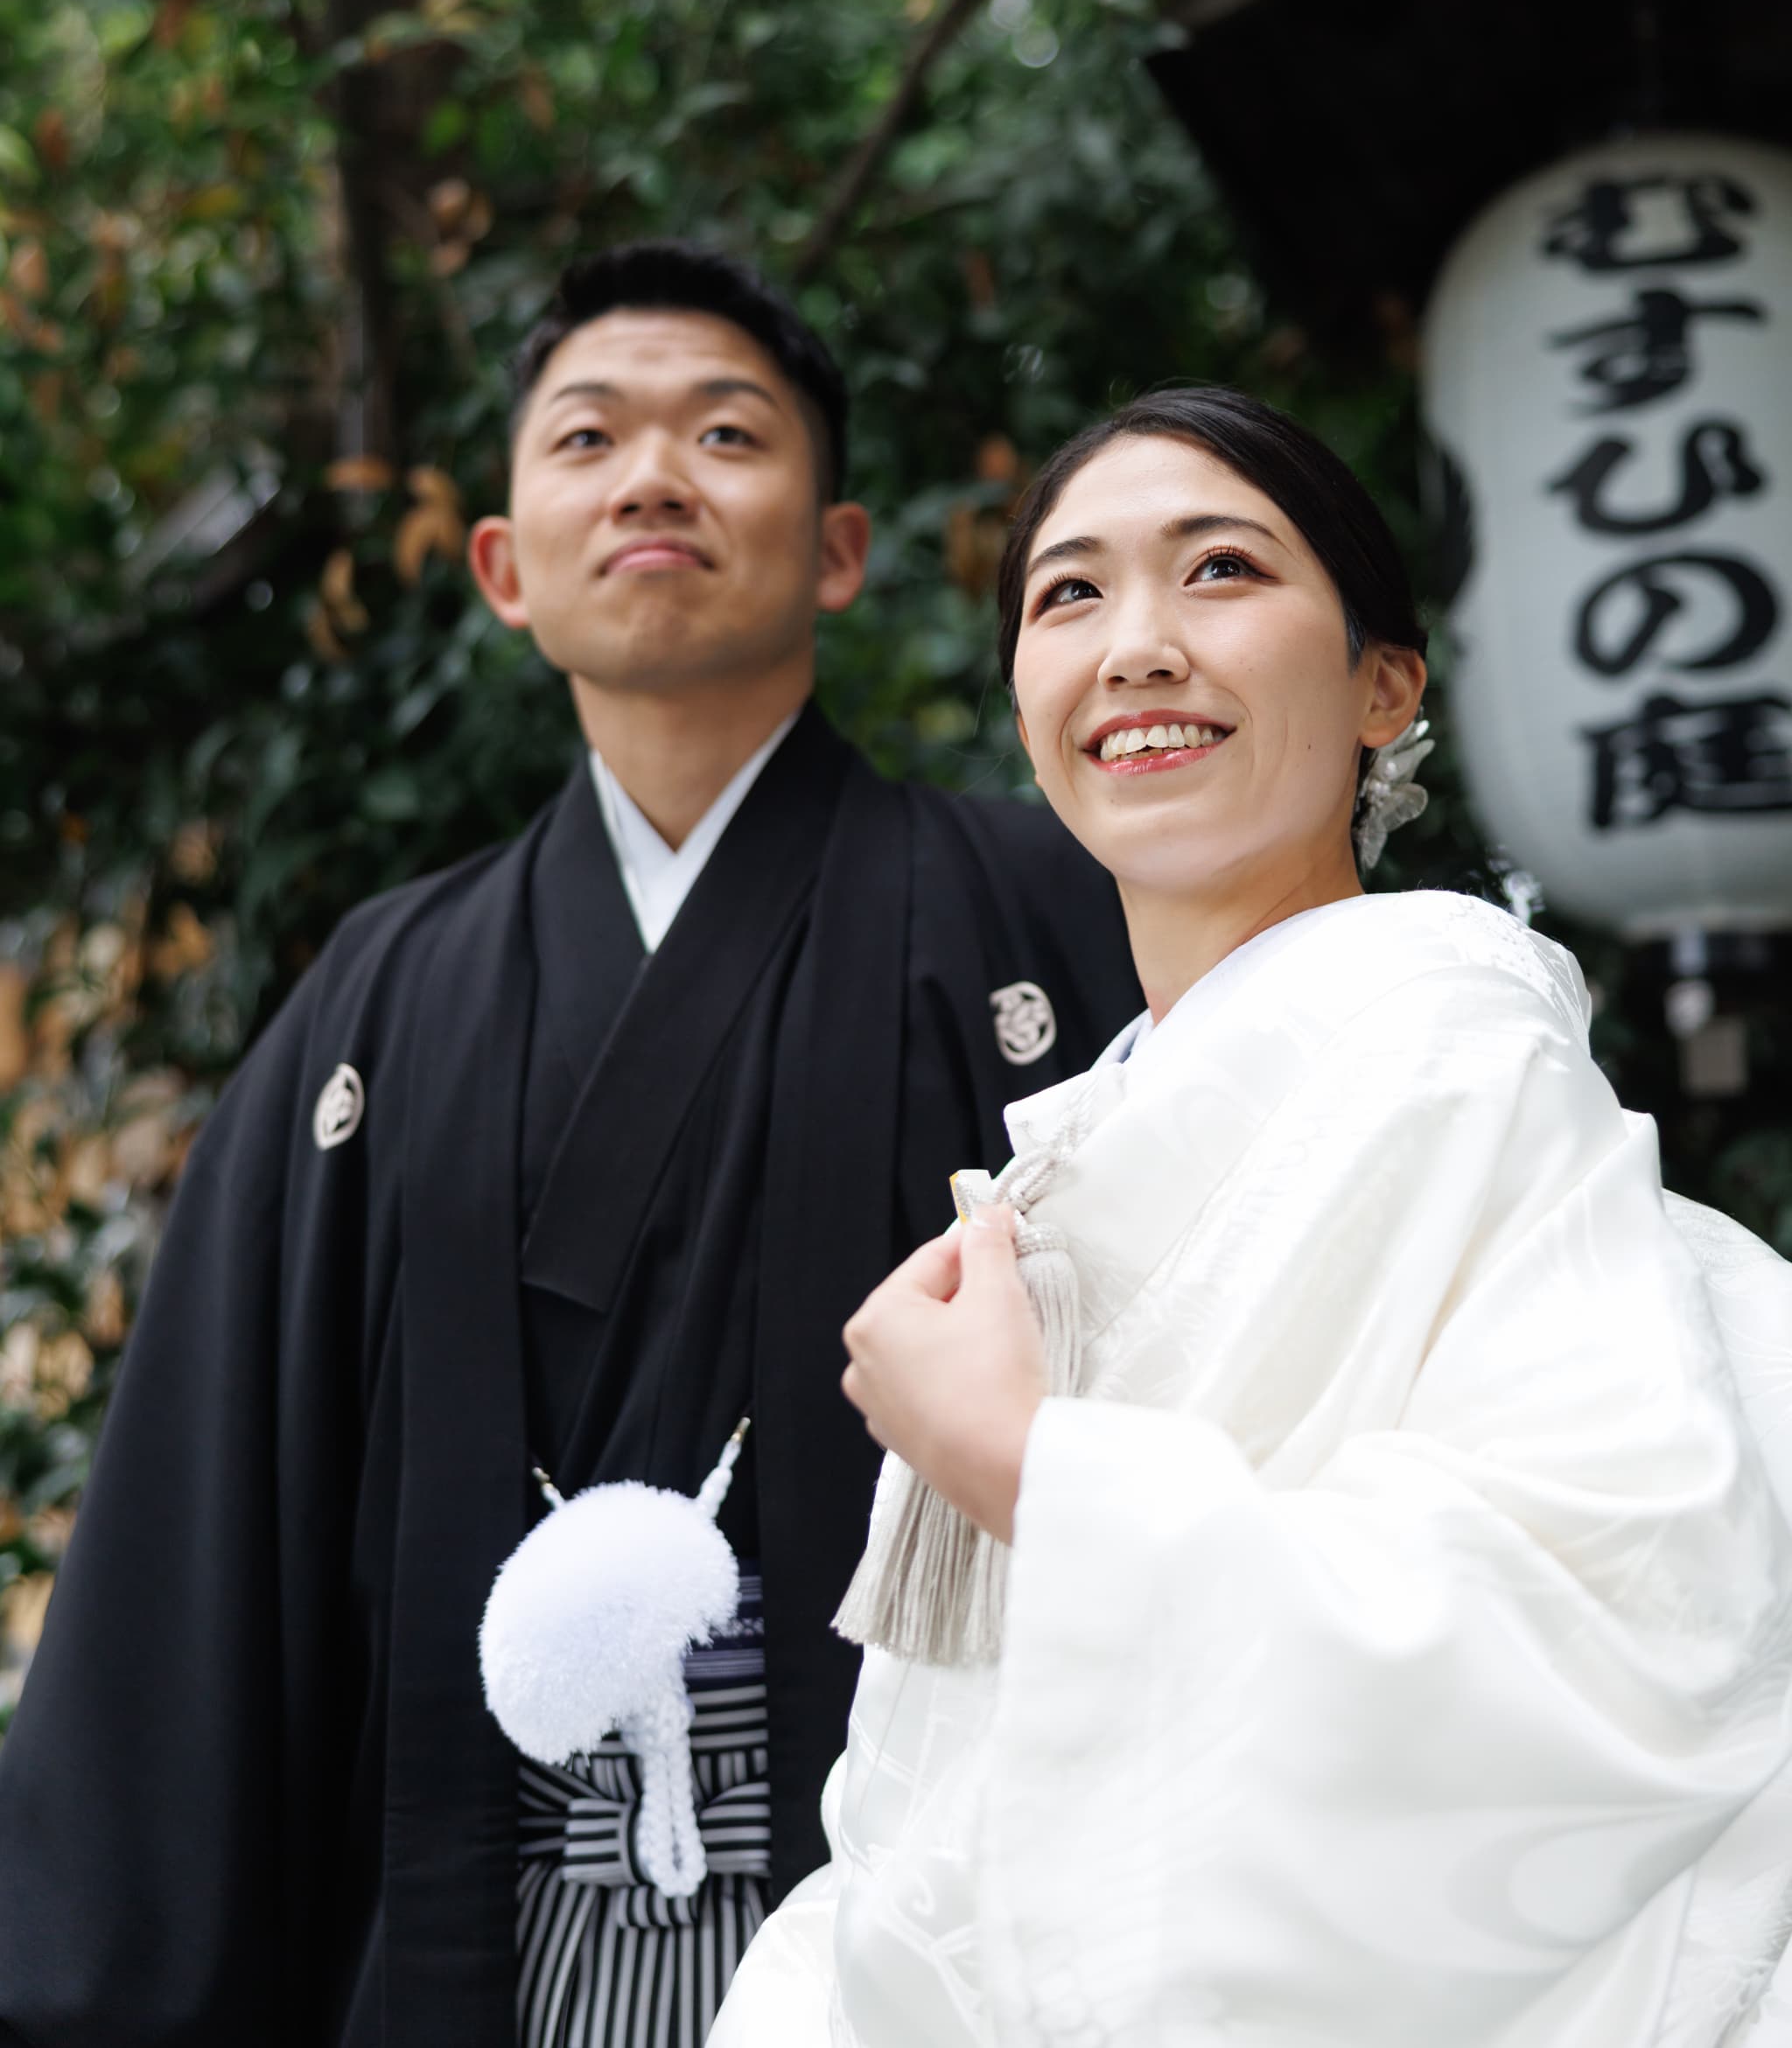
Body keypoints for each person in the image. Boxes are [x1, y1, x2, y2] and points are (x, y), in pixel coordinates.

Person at [0, 245, 1141, 2048]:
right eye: (590, 436)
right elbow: (210, 1527)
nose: (654, 476)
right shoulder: (382, 994)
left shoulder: (1039, 915)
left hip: (931, 1931)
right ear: (504, 567)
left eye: (727, 433)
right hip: (477, 1943)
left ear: (838, 548)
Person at [714, 387, 1792, 2048]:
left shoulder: (1459, 1059)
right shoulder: (1073, 1157)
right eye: (1071, 593)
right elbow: (943, 1815)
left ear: (1384, 685)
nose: (1137, 646)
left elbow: (1620, 1622)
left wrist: (1031, 1466)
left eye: (1221, 568)